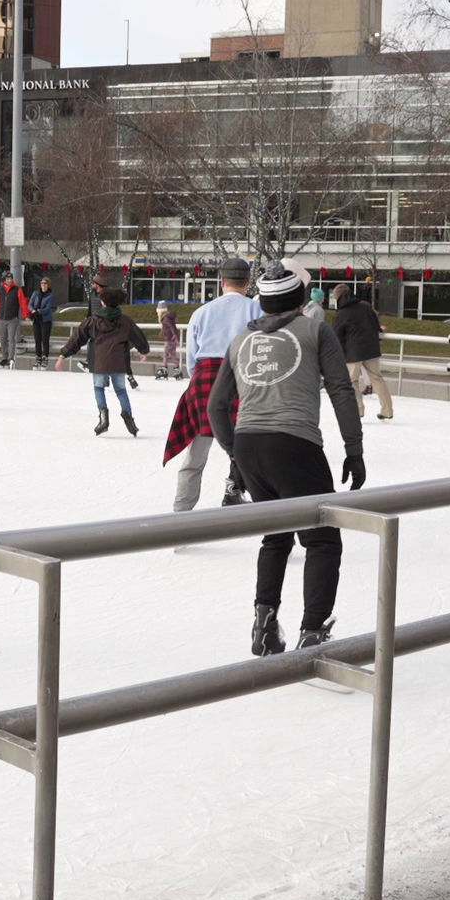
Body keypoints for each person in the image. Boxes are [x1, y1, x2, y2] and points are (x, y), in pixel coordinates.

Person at [208, 263, 365, 657]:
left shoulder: (242, 339)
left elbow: (216, 406)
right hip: (295, 444)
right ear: (300, 300)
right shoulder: (315, 329)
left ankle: (264, 624)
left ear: (261, 301)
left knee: (275, 537)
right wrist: (354, 448)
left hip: (249, 445)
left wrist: (235, 455)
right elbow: (341, 391)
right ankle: (312, 633)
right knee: (323, 540)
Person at [163, 258, 264, 511]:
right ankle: (234, 488)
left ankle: (181, 512)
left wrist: (197, 381)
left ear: (222, 282)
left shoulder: (202, 312)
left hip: (205, 380)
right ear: (248, 283)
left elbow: (191, 360)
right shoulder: (257, 311)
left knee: (196, 455)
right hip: (242, 379)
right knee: (246, 443)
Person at [57, 287, 151, 436]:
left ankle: (103, 419)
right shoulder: (125, 321)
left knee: (99, 388)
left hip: (100, 362)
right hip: (119, 361)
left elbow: (77, 338)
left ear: (103, 302)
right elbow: (138, 336)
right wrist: (144, 350)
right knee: (121, 390)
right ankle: (129, 419)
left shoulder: (93, 321)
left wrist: (63, 355)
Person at [334, 286, 394, 420]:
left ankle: (358, 410)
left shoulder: (341, 313)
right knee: (377, 378)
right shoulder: (365, 308)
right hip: (371, 349)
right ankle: (387, 410)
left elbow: (336, 335)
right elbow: (376, 326)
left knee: (352, 381)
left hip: (352, 353)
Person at [0, 274, 28, 368]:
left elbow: (22, 303)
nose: (9, 280)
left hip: (12, 318)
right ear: (4, 280)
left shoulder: (17, 290)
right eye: (8, 279)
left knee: (11, 339)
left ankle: (10, 358)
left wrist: (26, 315)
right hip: (1, 318)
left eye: (11, 279)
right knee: (3, 339)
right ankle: (4, 358)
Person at [29, 277, 56, 360]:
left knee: (45, 339)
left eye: (45, 284)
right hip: (36, 319)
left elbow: (47, 309)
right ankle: (38, 356)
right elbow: (30, 304)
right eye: (42, 284)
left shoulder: (50, 296)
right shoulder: (35, 293)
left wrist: (39, 311)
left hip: (45, 320)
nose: (43, 285)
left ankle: (45, 356)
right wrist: (33, 311)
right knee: (37, 339)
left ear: (48, 285)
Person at [155, 302, 183, 380]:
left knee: (166, 354)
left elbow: (171, 327)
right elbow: (169, 327)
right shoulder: (168, 317)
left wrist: (174, 335)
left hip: (169, 339)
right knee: (173, 355)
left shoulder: (166, 318)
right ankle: (177, 370)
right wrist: (163, 331)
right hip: (172, 339)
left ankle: (164, 369)